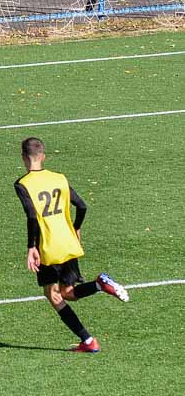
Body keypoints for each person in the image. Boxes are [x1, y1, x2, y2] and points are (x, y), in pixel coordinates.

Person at [14, 137, 129, 353]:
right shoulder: (59, 178)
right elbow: (82, 205)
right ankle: (99, 285)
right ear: (43, 156)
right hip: (68, 242)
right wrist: (76, 227)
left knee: (53, 295)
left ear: (23, 158)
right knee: (67, 292)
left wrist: (31, 247)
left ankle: (88, 341)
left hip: (48, 247)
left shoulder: (23, 184)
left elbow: (31, 215)